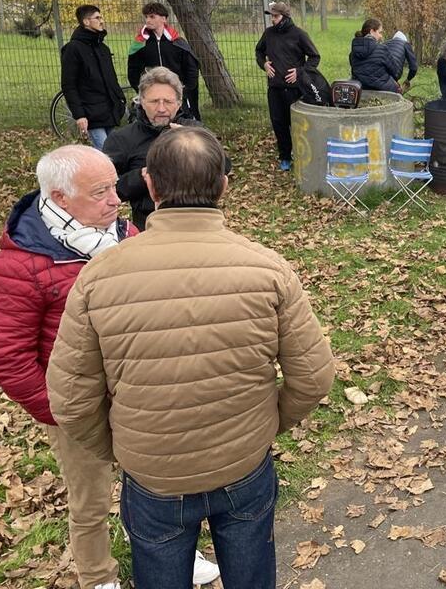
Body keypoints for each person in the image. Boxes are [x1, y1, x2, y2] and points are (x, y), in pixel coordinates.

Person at [47, 127, 336, 589]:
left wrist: (125, 448)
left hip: (153, 475)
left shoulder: (98, 277)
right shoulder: (268, 268)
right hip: (244, 465)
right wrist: (266, 424)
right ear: (224, 185)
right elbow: (315, 377)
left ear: (150, 184)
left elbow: (70, 401)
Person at [0, 146, 223, 589]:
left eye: (114, 185)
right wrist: (63, 411)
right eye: (100, 191)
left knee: (154, 484)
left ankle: (171, 551)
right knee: (90, 501)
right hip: (76, 406)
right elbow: (6, 356)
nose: (116, 199)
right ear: (60, 197)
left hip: (136, 395)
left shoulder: (124, 234)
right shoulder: (21, 265)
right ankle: (97, 577)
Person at [103, 67, 202, 230]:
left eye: (168, 102)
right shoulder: (122, 139)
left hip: (195, 221)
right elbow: (108, 189)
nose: (161, 108)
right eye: (154, 101)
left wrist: (192, 142)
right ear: (141, 101)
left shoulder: (194, 130)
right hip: (148, 224)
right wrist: (143, 176)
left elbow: (223, 166)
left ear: (179, 103)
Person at [255, 2, 322, 171]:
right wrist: (264, 64)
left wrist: (300, 72)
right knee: (279, 123)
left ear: (285, 17)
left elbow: (314, 57)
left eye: (275, 16)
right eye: (271, 16)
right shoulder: (268, 34)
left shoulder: (299, 34)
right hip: (275, 88)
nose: (273, 20)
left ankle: (303, 155)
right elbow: (259, 51)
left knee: (298, 124)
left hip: (295, 89)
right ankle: (285, 156)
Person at [60, 5, 126, 151]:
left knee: (114, 153)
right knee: (106, 154)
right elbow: (68, 85)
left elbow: (111, 80)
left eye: (101, 17)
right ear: (86, 22)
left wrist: (120, 100)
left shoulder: (103, 48)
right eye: (97, 18)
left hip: (109, 110)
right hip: (91, 113)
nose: (102, 21)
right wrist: (79, 115)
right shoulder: (73, 49)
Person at [127, 2, 202, 120]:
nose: (148, 20)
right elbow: (133, 70)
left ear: (163, 19)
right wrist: (143, 91)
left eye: (152, 16)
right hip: (153, 95)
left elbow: (191, 68)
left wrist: (185, 90)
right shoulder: (140, 44)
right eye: (146, 17)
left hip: (177, 95)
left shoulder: (177, 43)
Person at [349, 18, 402, 93]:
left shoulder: (353, 52)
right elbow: (396, 73)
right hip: (384, 91)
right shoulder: (382, 49)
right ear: (372, 31)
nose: (381, 36)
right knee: (398, 89)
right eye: (380, 32)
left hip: (360, 90)